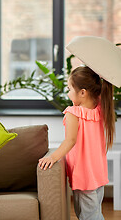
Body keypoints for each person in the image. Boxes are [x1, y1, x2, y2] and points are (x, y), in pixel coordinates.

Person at [38, 66, 115, 220]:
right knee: (94, 213)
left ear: (82, 92)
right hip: (98, 174)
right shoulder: (101, 108)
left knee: (89, 217)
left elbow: (70, 141)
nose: (67, 93)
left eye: (69, 88)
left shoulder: (74, 113)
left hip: (84, 176)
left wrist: (52, 157)